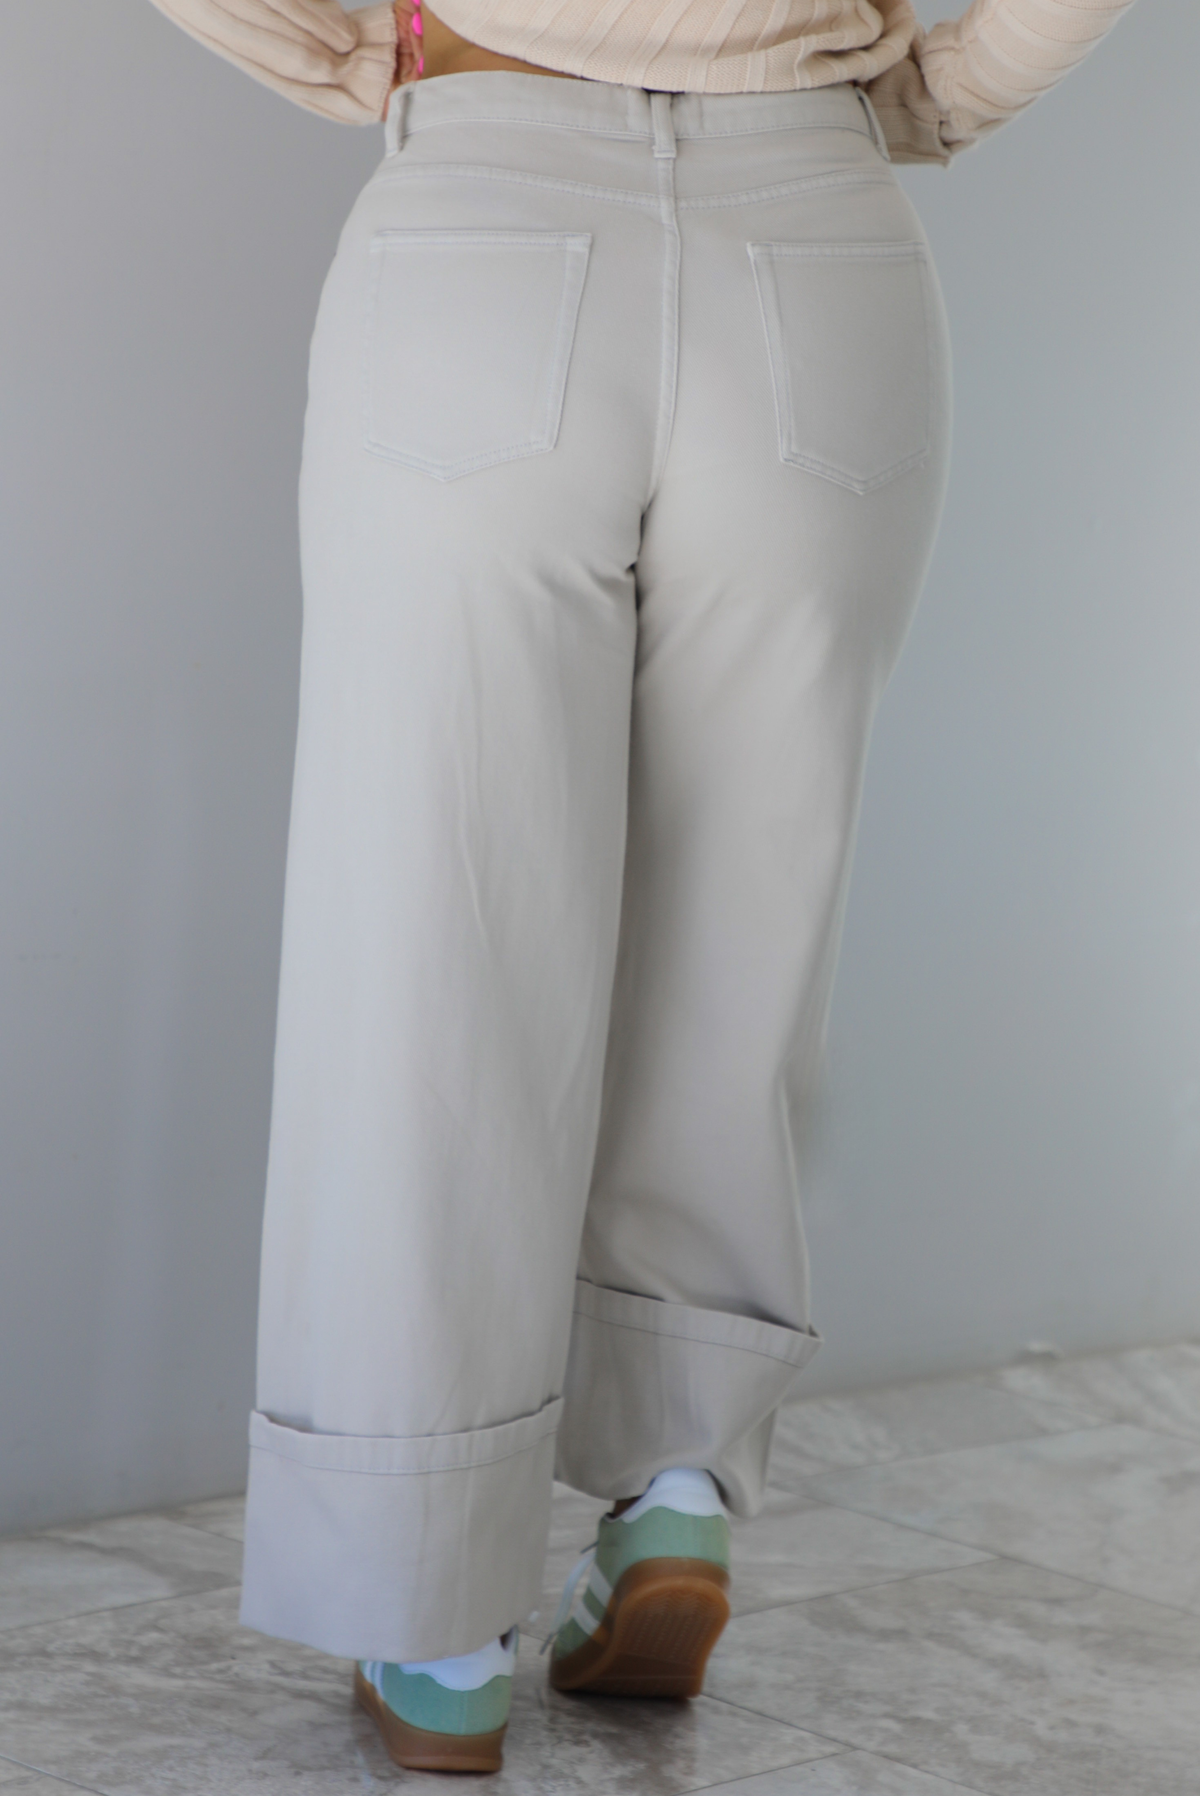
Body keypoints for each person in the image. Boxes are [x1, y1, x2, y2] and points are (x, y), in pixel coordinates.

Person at [149, 0, 1137, 1771]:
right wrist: (923, 92)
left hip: (485, 220)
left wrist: (348, 55)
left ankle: (434, 1615)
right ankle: (676, 1485)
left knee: (435, 941)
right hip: (820, 251)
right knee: (741, 923)